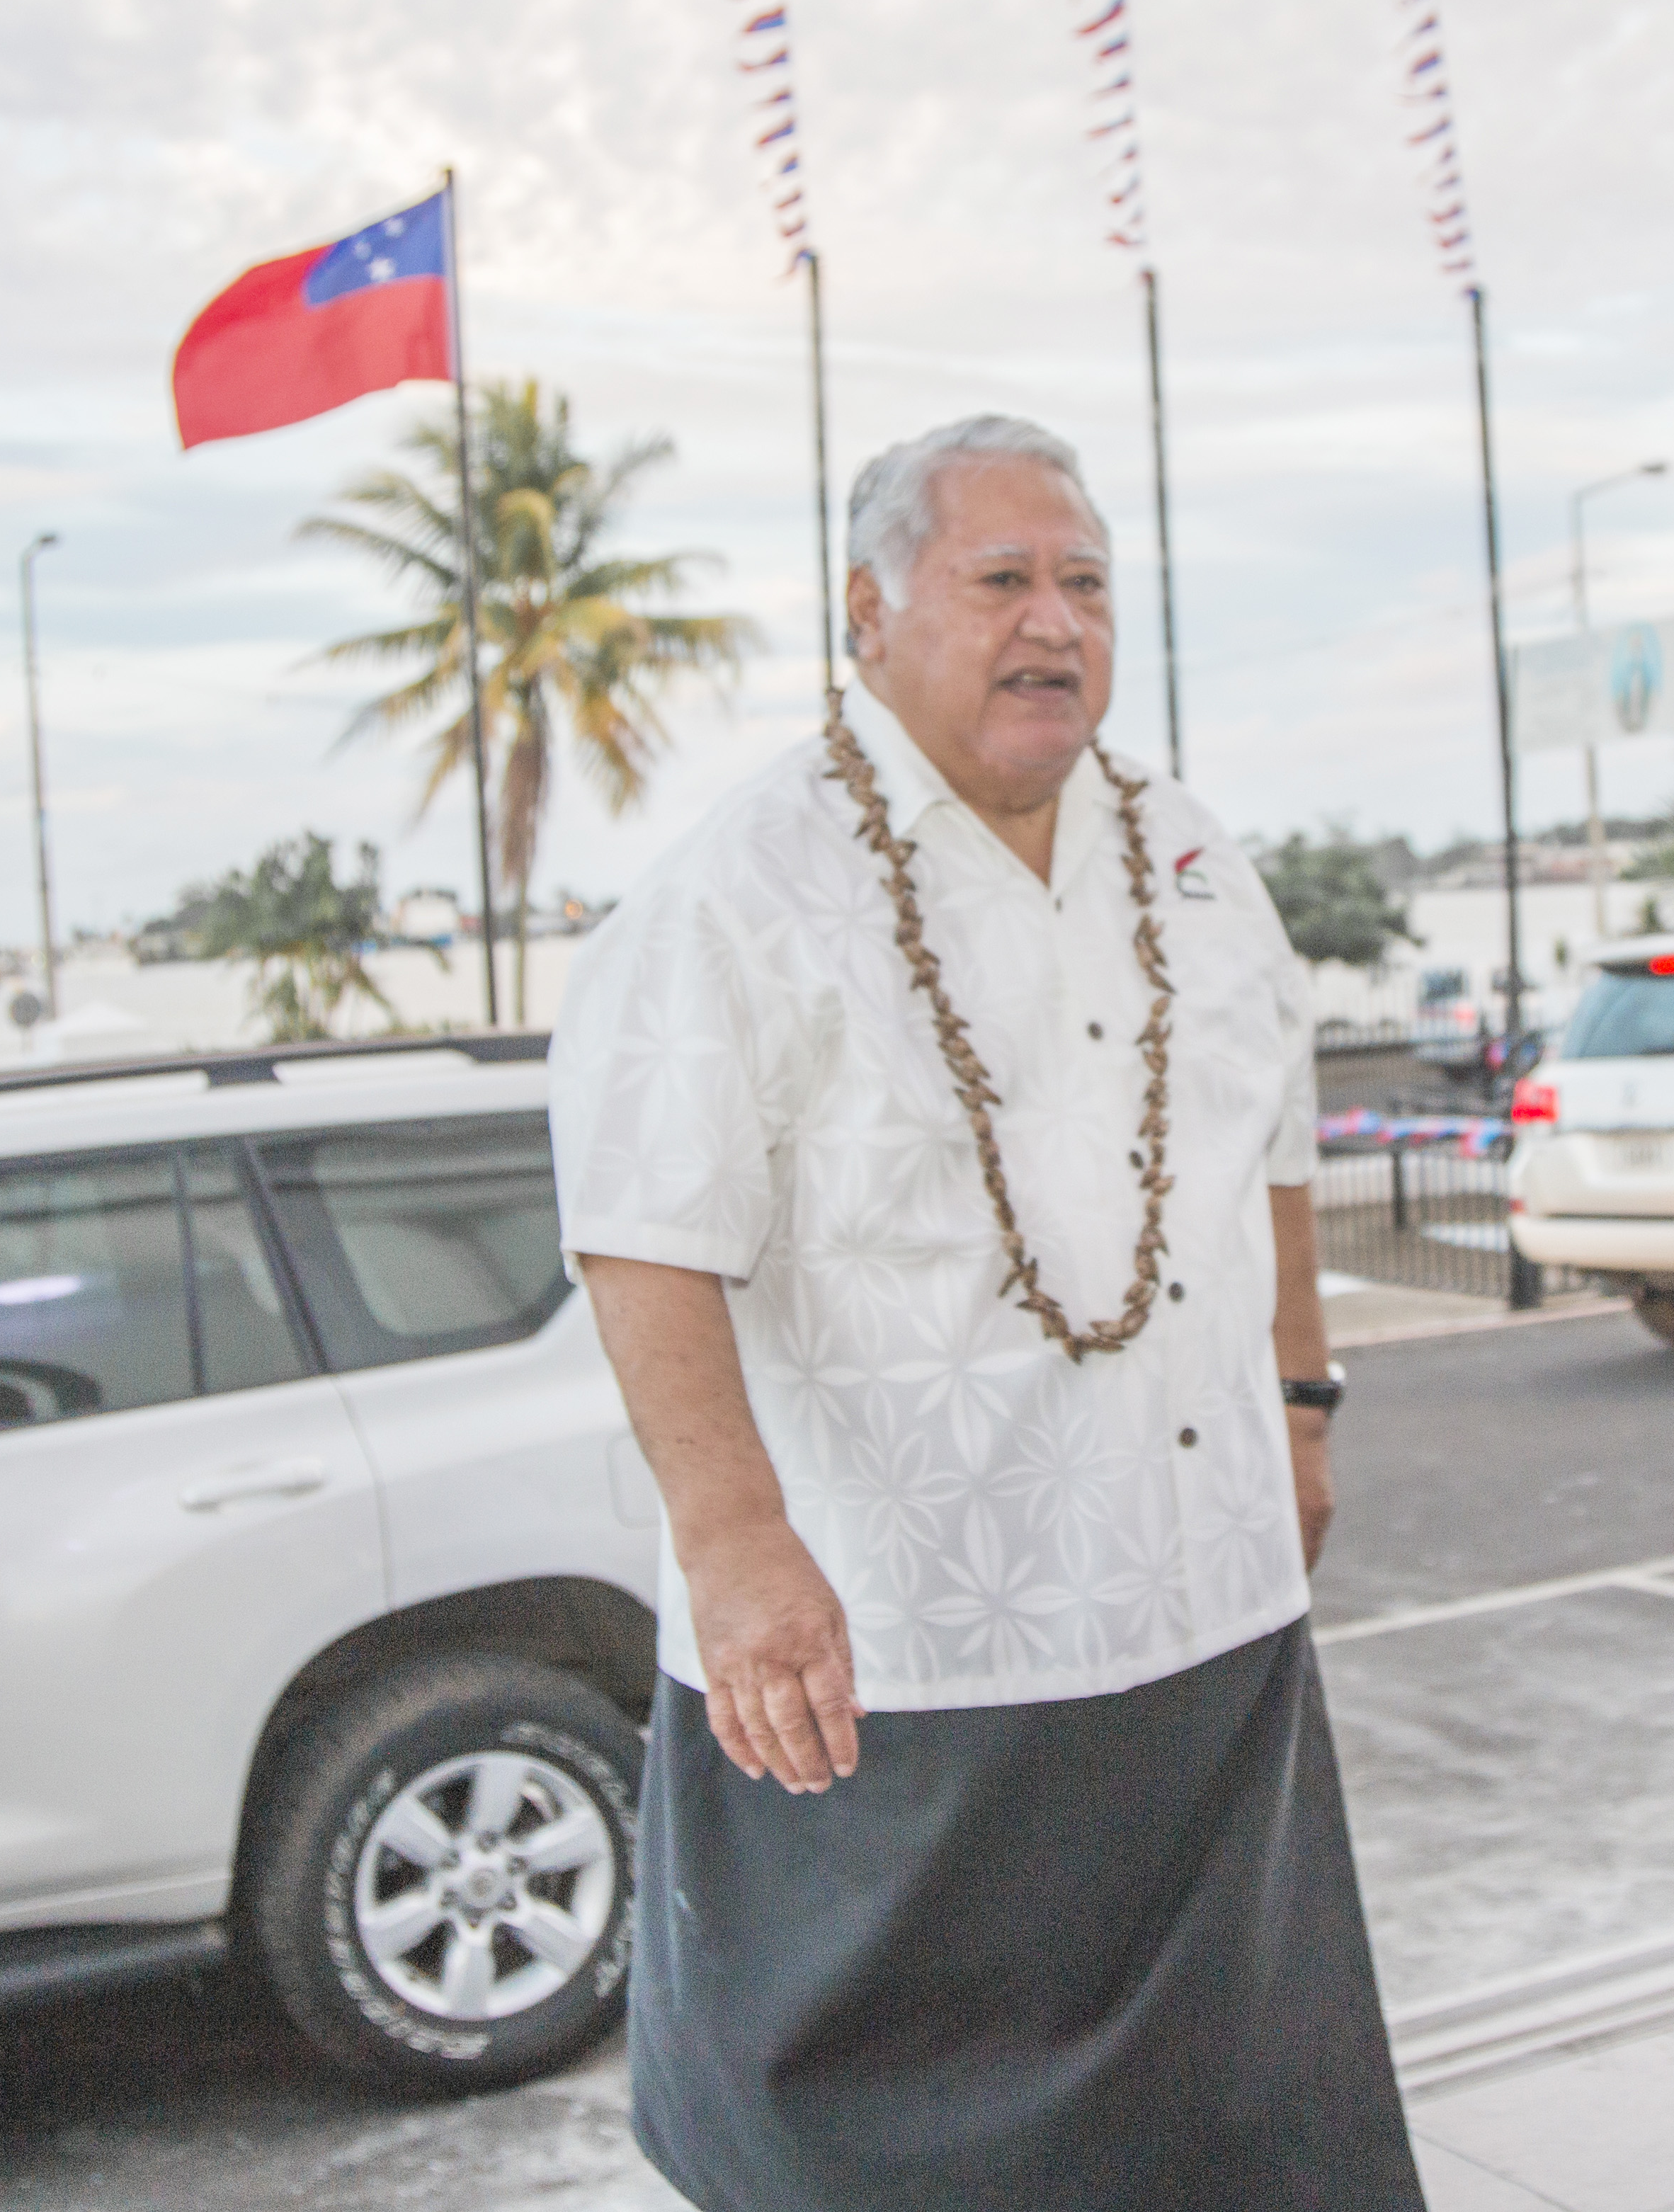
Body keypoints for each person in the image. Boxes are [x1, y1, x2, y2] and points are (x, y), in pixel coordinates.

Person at [550, 415, 1423, 2211]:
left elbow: (1266, 1128)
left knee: (1240, 2138)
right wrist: (733, 1540)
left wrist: (1304, 1401)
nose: (1055, 622)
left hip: (1206, 1626)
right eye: (1002, 579)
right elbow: (642, 1226)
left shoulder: (1183, 849)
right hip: (910, 1666)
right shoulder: (737, 893)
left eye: (1086, 583)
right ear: (865, 614)